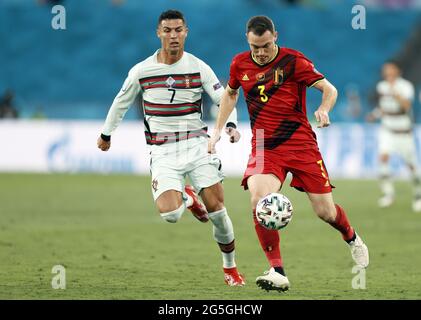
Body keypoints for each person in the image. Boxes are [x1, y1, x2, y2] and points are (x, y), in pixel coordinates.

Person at [208, 15, 369, 292]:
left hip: (300, 142)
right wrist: (218, 130)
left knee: (325, 212)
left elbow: (329, 89)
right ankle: (277, 270)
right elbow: (231, 94)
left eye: (265, 46)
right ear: (248, 40)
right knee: (259, 201)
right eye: (254, 47)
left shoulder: (294, 61)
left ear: (276, 37)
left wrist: (324, 109)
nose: (259, 53)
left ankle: (352, 238)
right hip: (264, 143)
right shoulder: (239, 63)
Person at [97, 10, 245, 286]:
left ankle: (230, 268)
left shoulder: (198, 67)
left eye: (178, 30)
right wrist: (106, 134)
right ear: (159, 33)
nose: (173, 35)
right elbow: (121, 102)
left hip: (197, 146)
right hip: (162, 151)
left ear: (186, 32)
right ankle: (188, 199)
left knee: (218, 212)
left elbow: (223, 97)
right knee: (171, 214)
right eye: (168, 30)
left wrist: (231, 125)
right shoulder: (142, 70)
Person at [366, 61, 421, 211]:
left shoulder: (405, 86)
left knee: (412, 167)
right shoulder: (381, 86)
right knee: (383, 157)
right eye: (385, 69)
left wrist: (395, 91)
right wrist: (374, 115)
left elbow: (406, 106)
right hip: (387, 131)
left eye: (390, 69)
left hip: (403, 133)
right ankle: (388, 194)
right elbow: (383, 107)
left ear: (397, 71)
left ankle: (418, 195)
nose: (387, 72)